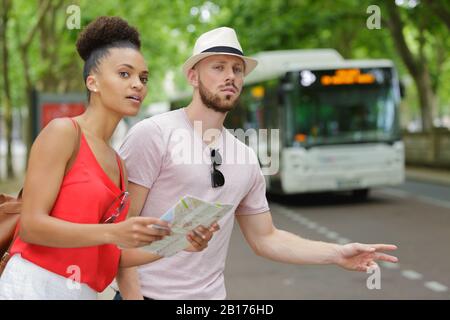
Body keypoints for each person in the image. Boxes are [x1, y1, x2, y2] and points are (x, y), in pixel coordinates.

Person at [115, 27, 398, 300]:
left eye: (237, 69)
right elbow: (119, 235)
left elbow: (266, 238)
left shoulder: (246, 156)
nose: (231, 77)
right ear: (193, 76)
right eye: (218, 67)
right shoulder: (152, 135)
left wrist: (336, 254)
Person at [0, 16, 216, 300]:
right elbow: (32, 226)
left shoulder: (119, 164)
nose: (138, 84)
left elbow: (113, 256)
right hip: (34, 286)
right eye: (125, 74)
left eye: (143, 77)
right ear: (93, 82)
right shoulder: (64, 133)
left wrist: (177, 242)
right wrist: (112, 234)